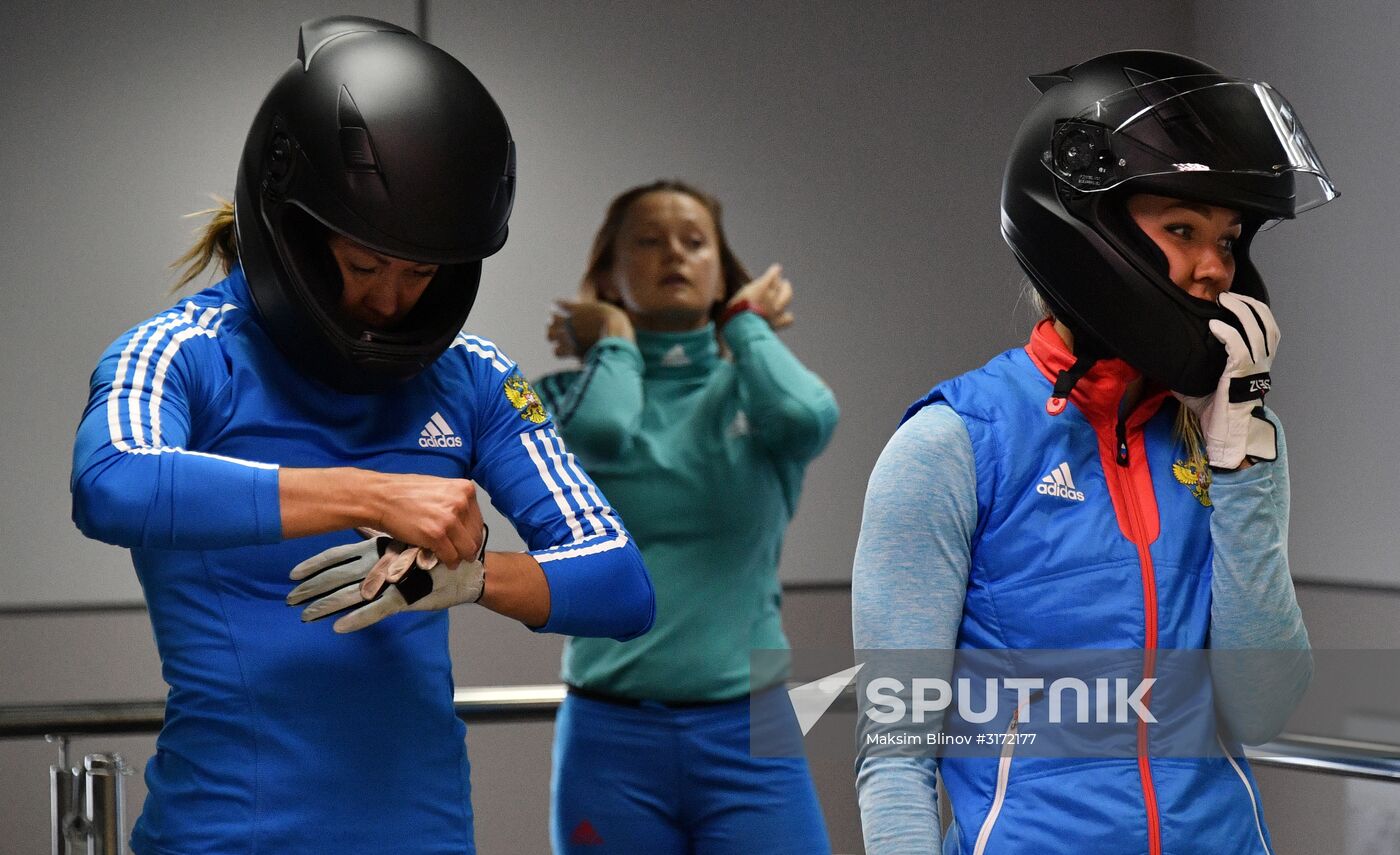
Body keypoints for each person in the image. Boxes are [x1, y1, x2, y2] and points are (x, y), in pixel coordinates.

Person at [69, 17, 653, 855]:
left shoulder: (475, 374)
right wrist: (370, 492)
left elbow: (622, 583)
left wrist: (473, 579)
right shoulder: (182, 352)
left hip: (424, 835)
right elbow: (112, 482)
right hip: (227, 835)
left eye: (420, 274)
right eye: (366, 265)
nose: (392, 301)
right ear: (295, 232)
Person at [852, 51, 1335, 854]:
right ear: (1088, 233)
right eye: (1183, 229)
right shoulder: (951, 445)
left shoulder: (1240, 440)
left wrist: (1240, 460)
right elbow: (897, 751)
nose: (1216, 268)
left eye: (1230, 238)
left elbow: (1263, 706)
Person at [534, 180, 839, 854]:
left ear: (720, 275)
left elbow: (808, 418)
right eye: (647, 241)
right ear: (609, 273)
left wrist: (744, 325)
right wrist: (613, 338)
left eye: (694, 242)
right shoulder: (565, 395)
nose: (673, 253)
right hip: (610, 740)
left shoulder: (755, 391)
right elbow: (607, 430)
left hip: (752, 733)